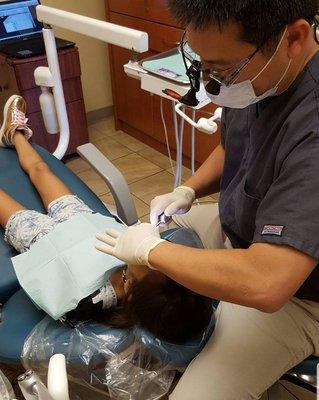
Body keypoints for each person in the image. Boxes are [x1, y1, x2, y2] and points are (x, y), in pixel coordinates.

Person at [96, 1, 319, 399]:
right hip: (242, 226)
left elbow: (268, 282)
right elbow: (236, 147)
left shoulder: (311, 127)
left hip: (297, 292)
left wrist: (151, 252)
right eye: (204, 66)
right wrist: (188, 190)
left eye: (222, 69)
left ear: (294, 38)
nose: (214, 85)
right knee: (129, 240)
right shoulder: (263, 77)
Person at [0, 95, 213, 345]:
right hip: (79, 219)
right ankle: (15, 134)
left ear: (132, 291)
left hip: (43, 238)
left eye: (156, 263)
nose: (160, 256)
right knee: (41, 169)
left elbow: (58, 293)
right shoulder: (143, 277)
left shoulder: (89, 302)